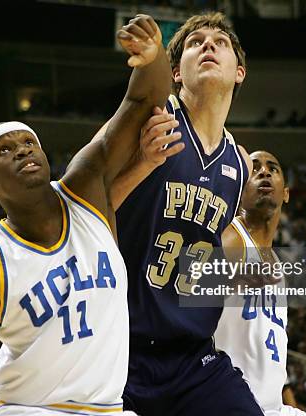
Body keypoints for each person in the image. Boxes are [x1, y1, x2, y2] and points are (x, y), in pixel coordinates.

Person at [0, 14, 171, 415]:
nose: (24, 150)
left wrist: (153, 57)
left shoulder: (87, 189)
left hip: (109, 409)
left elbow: (140, 103)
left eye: (29, 142)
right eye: (5, 150)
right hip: (28, 409)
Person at [105, 12, 263, 416]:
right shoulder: (153, 120)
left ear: (239, 72)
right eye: (195, 42)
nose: (208, 45)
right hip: (121, 349)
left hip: (193, 358)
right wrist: (141, 164)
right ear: (176, 72)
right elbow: (82, 202)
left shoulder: (239, 164)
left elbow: (211, 253)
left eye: (220, 42)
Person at [213, 151, 305, 416]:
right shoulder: (231, 240)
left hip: (271, 405)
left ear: (285, 193)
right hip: (230, 401)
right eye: (254, 169)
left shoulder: (277, 265)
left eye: (272, 168)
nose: (264, 172)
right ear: (239, 192)